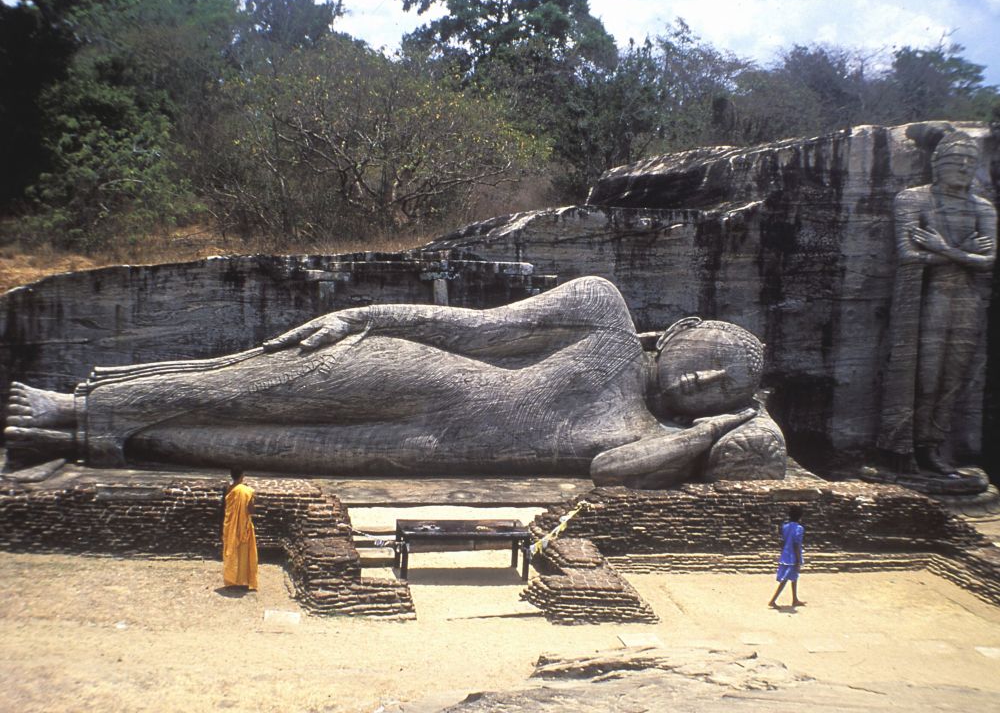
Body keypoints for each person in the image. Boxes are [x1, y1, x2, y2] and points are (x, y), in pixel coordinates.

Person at [4, 276, 784, 488]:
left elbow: (609, 473)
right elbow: (474, 328)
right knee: (242, 386)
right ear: (681, 331)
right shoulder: (602, 312)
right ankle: (83, 403)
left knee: (239, 443)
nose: (705, 379)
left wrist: (711, 430)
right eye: (711, 355)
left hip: (418, 445)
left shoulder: (649, 437)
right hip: (414, 375)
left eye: (725, 387)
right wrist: (361, 316)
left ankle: (84, 433)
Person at [878, 129, 996, 475]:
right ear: (936, 163)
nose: (962, 167)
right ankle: (905, 447)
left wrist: (942, 248)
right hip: (931, 298)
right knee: (925, 375)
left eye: (969, 162)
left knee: (953, 377)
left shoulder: (982, 208)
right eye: (954, 160)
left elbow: (988, 261)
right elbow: (909, 255)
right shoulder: (913, 199)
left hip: (967, 299)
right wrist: (966, 253)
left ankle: (932, 447)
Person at [222, 468, 258, 591]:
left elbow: (224, 508)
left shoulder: (228, 489)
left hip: (230, 526)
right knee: (244, 554)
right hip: (243, 526)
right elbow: (251, 510)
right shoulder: (246, 491)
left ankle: (231, 580)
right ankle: (244, 581)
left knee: (231, 551)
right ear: (242, 475)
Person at [768, 504, 805, 609]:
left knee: (794, 577)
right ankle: (773, 600)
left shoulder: (785, 527)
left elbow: (784, 541)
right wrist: (798, 560)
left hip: (785, 554)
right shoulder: (799, 528)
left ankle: (795, 599)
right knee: (786, 579)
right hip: (793, 557)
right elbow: (796, 545)